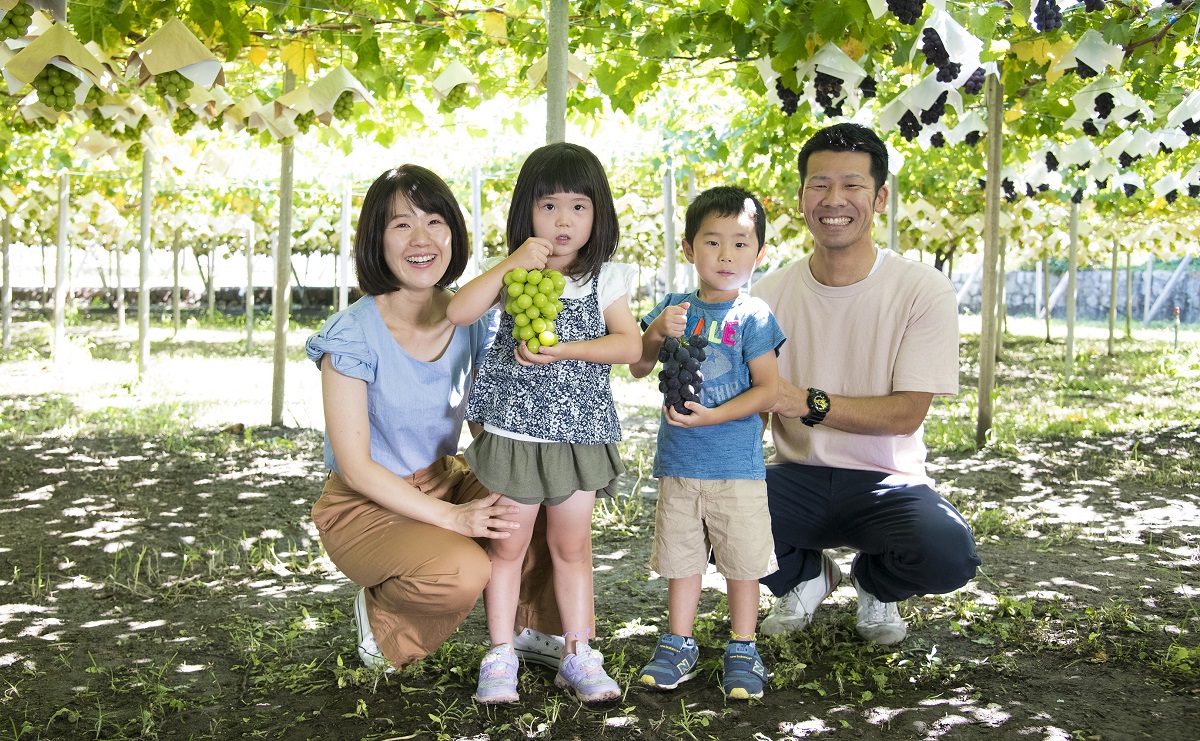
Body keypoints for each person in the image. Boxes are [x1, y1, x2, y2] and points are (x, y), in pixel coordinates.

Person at [305, 165, 563, 672]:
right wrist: (454, 519)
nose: (421, 239)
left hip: (444, 481)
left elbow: (485, 421)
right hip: (366, 504)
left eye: (435, 222)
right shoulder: (351, 336)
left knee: (537, 496)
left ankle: (529, 627)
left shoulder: (472, 318)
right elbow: (356, 467)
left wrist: (540, 466)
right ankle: (386, 621)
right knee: (461, 569)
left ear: (454, 233)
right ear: (376, 240)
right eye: (401, 225)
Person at [750, 122, 981, 646]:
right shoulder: (766, 294)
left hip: (888, 480)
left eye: (852, 185)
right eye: (819, 185)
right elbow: (754, 412)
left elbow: (905, 414)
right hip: (798, 475)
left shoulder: (922, 289)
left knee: (948, 553)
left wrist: (800, 400)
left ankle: (876, 585)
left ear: (879, 198)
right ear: (802, 196)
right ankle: (805, 578)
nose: (834, 199)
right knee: (704, 507)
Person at [446, 142, 643, 704]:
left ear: (597, 215)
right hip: (513, 434)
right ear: (525, 213)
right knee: (507, 550)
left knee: (571, 548)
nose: (563, 220)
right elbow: (459, 311)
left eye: (579, 207)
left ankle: (578, 654)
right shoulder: (513, 274)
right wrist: (511, 264)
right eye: (549, 206)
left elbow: (629, 346)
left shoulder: (603, 277)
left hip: (577, 435)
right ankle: (500, 654)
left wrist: (565, 350)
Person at [629, 186, 786, 700]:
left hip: (737, 468)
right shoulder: (674, 307)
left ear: (759, 254)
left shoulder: (755, 316)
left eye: (740, 243)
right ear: (690, 250)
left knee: (743, 563)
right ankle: (680, 642)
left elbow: (770, 389)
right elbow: (638, 365)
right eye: (712, 242)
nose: (725, 255)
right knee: (682, 559)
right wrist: (654, 329)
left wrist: (715, 414)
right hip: (679, 462)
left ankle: (744, 646)